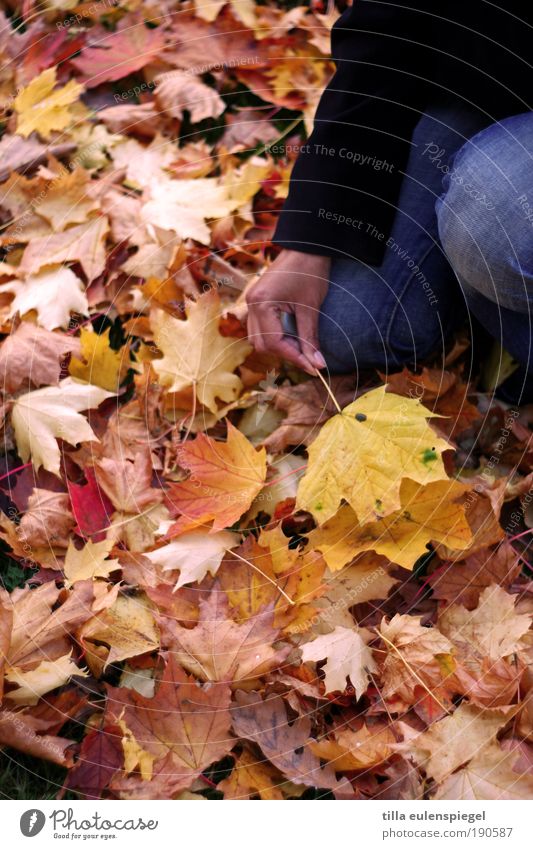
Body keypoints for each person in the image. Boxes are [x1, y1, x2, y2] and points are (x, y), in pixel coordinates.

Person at [246, 1, 533, 401]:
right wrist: (311, 238)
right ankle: (486, 301)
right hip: (482, 90)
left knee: (491, 223)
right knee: (343, 325)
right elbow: (383, 34)